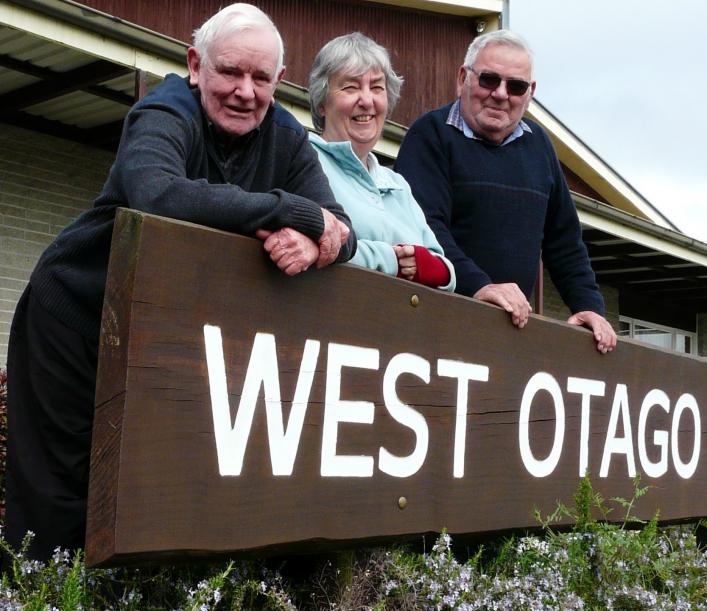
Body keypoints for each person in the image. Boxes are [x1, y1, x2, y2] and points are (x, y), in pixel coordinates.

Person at [2, 2, 354, 561]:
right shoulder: (163, 110)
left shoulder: (285, 138)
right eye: (230, 72)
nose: (244, 91)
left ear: (278, 81)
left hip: (160, 341)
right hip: (74, 320)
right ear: (195, 65)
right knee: (57, 504)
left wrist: (315, 241)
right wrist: (291, 210)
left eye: (261, 78)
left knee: (150, 497)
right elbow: (156, 193)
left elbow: (341, 228)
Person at [395, 30, 616, 353]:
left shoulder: (540, 147)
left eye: (516, 86)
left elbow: (565, 243)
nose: (500, 94)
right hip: (432, 330)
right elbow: (424, 226)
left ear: (530, 93)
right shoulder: (430, 135)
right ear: (462, 78)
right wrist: (480, 286)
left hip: (507, 338)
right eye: (488, 80)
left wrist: (589, 307)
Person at [307, 33, 454, 290]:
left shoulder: (397, 184)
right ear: (322, 103)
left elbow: (445, 270)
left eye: (376, 87)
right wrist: (393, 260)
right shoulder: (306, 160)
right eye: (350, 88)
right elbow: (316, 245)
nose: (367, 101)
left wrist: (435, 269)